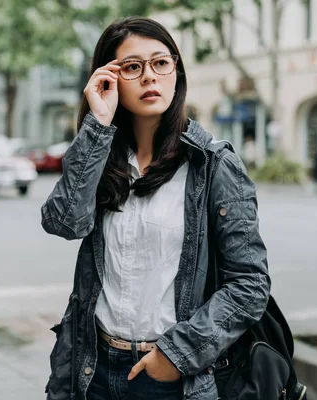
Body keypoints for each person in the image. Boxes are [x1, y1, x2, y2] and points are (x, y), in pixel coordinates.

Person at [41, 16, 270, 400]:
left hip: (171, 377)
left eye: (161, 62)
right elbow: (64, 222)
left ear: (176, 71)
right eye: (132, 67)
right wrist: (97, 122)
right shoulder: (103, 160)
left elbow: (250, 285)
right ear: (109, 79)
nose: (150, 76)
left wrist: (176, 354)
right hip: (92, 368)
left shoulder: (212, 165)